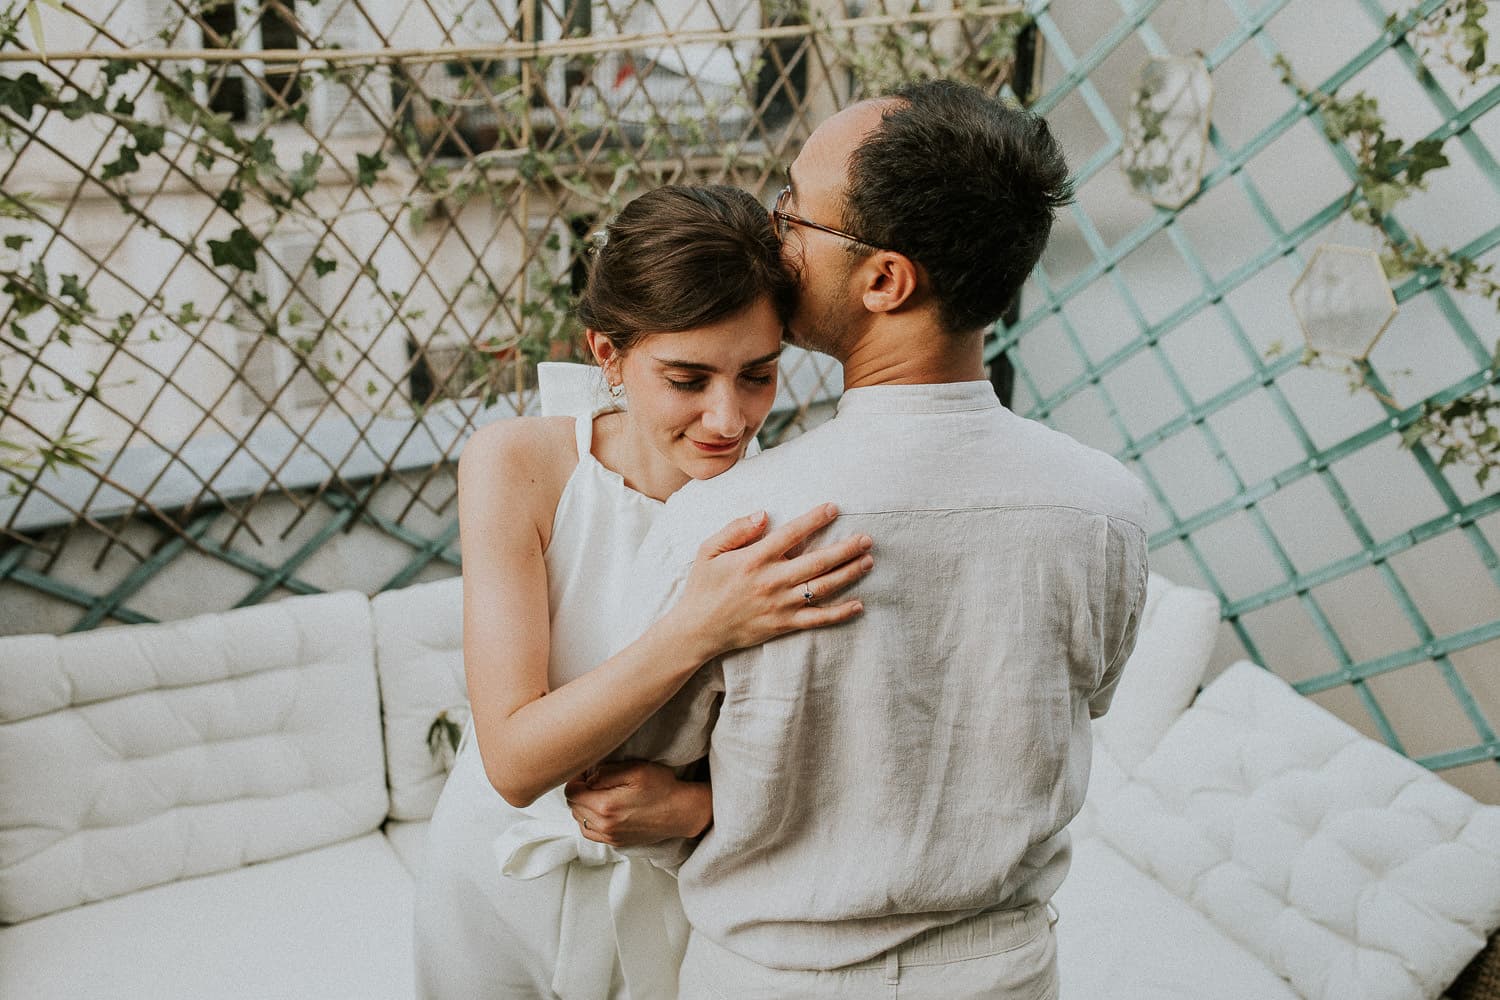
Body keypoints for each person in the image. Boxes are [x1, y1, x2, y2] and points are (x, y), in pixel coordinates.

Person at [578, 80, 1151, 999]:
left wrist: (699, 807)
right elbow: (1060, 718)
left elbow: (631, 777)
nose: (775, 237)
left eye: (794, 213)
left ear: (885, 280)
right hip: (1007, 976)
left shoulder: (733, 521)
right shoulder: (1107, 510)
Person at [412, 184, 876, 999]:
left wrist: (697, 809)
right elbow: (514, 762)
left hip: (671, 899)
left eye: (758, 375)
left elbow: (833, 768)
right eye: (687, 379)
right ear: (608, 354)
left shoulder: (792, 509)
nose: (727, 419)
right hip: (495, 881)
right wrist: (697, 629)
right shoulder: (519, 465)